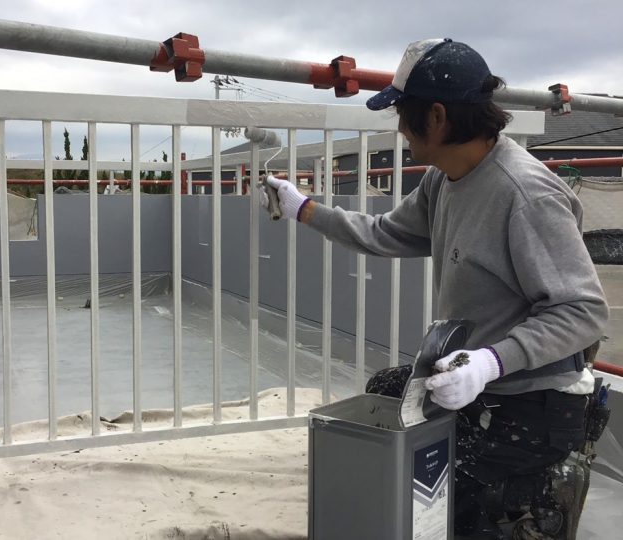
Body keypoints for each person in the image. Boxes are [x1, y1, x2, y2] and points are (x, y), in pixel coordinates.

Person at [261, 38, 609, 539]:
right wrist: (305, 209)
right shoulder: (443, 179)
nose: (400, 128)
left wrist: (490, 362)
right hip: (478, 385)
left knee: (452, 511)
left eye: (404, 114)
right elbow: (386, 233)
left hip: (532, 404)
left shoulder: (524, 195)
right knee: (385, 393)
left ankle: (526, 508)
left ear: (437, 117)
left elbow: (582, 311)